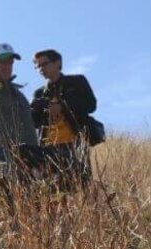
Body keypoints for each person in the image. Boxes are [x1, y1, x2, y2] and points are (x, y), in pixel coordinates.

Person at [30, 49, 99, 191]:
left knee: (80, 185)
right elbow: (35, 122)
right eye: (37, 66)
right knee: (51, 189)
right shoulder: (39, 93)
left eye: (44, 64)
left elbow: (90, 105)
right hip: (47, 147)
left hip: (74, 144)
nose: (40, 69)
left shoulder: (77, 81)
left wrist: (62, 106)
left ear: (57, 63)